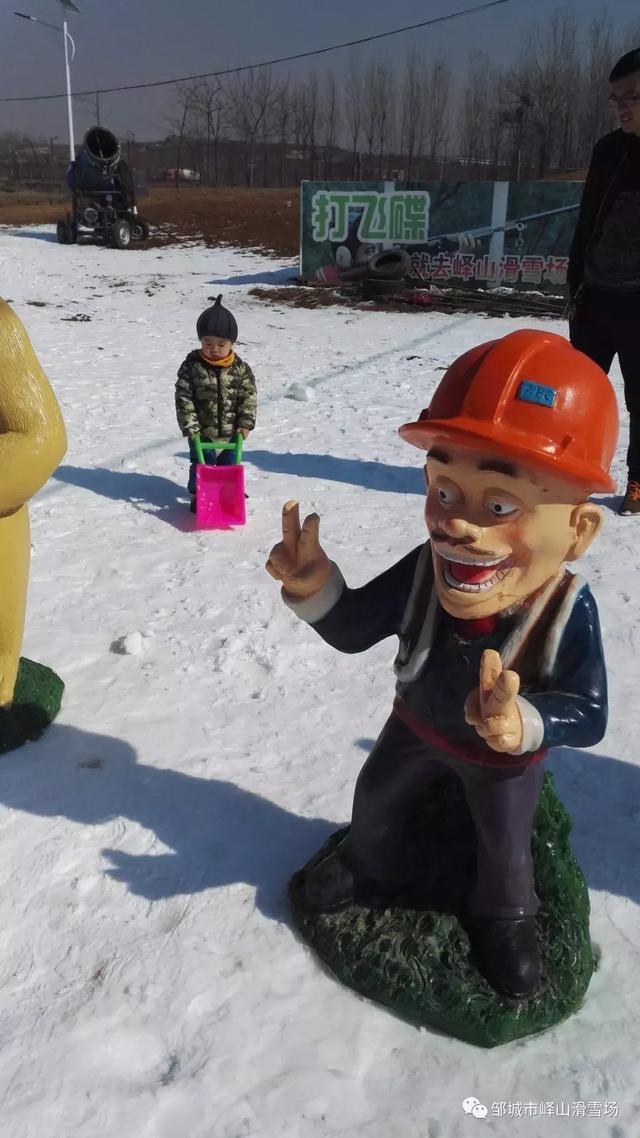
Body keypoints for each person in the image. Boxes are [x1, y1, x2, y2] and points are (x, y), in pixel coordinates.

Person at [266, 329, 618, 1002]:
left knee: (504, 849)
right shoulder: (426, 572)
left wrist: (528, 722)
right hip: (415, 728)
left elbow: (592, 711)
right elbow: (356, 626)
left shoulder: (566, 609)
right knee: (374, 801)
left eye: (498, 506)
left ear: (578, 529)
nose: (457, 525)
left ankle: (505, 919)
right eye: (444, 491)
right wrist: (317, 587)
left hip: (500, 763)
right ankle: (367, 864)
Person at [568, 47, 640, 516]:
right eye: (616, 99)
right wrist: (574, 285)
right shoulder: (608, 150)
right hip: (595, 297)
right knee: (577, 395)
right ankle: (569, 473)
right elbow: (587, 219)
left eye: (632, 96)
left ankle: (639, 481)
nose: (622, 107)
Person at [175, 296, 257, 511]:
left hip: (232, 432)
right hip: (201, 431)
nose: (214, 349)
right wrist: (190, 427)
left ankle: (229, 493)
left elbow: (248, 396)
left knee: (230, 465)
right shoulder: (192, 368)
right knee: (202, 465)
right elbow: (184, 398)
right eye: (208, 343)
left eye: (221, 344)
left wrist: (246, 423)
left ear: (232, 343)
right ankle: (199, 495)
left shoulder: (240, 369)